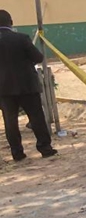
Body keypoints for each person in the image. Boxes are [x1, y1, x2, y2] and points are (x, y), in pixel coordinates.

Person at [0, 10, 57, 162]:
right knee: (37, 117)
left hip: (4, 88)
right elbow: (38, 57)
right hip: (27, 85)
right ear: (11, 22)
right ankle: (45, 149)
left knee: (10, 121)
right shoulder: (22, 38)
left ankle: (17, 153)